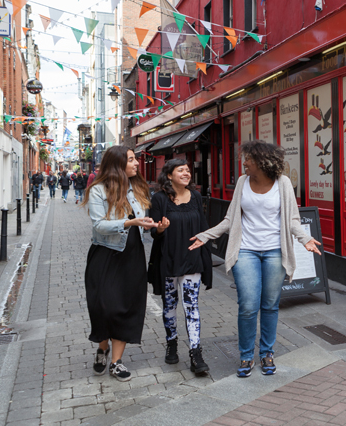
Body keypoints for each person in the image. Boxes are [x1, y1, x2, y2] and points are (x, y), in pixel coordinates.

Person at [190, 140, 321, 378]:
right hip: (246, 250)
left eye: (248, 159)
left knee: (270, 305)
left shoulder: (283, 183)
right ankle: (246, 355)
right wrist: (206, 235)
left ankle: (267, 353)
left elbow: (292, 219)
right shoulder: (242, 182)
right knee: (248, 306)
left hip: (275, 252)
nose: (244, 163)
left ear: (262, 161)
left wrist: (305, 239)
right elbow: (230, 219)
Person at [83, 146, 156, 382]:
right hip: (105, 255)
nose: (137, 163)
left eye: (135, 159)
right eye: (131, 159)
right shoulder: (98, 190)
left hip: (132, 256)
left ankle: (116, 361)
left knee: (126, 307)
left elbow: (142, 222)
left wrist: (154, 226)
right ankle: (102, 347)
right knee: (103, 307)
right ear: (118, 163)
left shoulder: (138, 188)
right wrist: (129, 222)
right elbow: (98, 225)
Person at [147, 159, 213, 375]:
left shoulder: (195, 196)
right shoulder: (159, 199)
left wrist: (205, 245)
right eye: (181, 170)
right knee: (169, 305)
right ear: (169, 175)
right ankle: (172, 343)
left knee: (191, 305)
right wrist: (160, 228)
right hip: (168, 260)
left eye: (188, 170)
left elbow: (203, 225)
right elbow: (154, 232)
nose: (186, 173)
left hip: (192, 259)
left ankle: (196, 353)